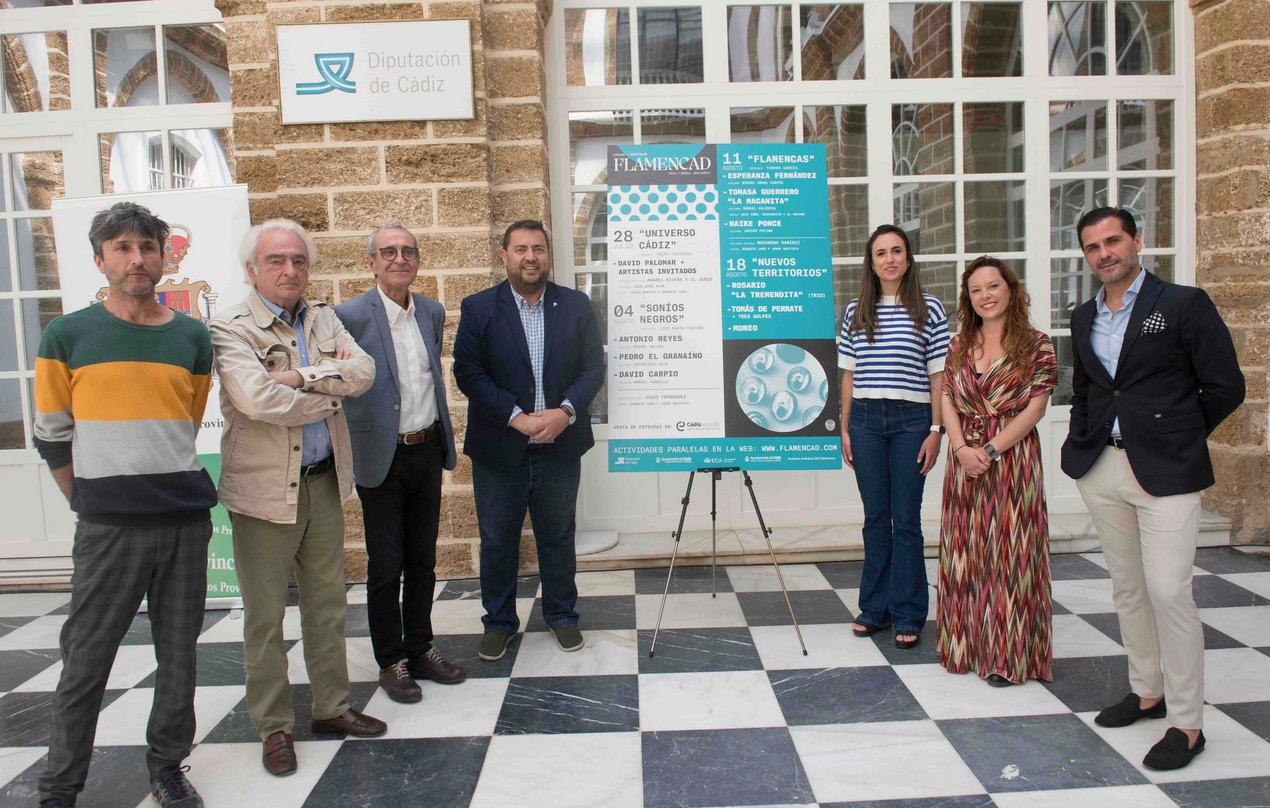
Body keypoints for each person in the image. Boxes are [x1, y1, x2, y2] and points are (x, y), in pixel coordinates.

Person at [34, 202, 217, 808]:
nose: (136, 259)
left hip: (183, 521)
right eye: (122, 248)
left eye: (147, 247)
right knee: (86, 659)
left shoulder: (191, 336)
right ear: (99, 259)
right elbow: (50, 434)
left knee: (178, 657)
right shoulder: (68, 334)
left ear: (164, 256)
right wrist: (86, 499)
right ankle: (61, 787)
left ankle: (166, 767)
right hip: (109, 527)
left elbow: (185, 423)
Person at [1062, 207, 1244, 770]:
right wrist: (1083, 439)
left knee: (1170, 591)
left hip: (1166, 470)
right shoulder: (1083, 314)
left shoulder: (1183, 304)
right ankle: (1147, 690)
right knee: (1128, 587)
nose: (1104, 254)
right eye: (1092, 247)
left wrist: (1176, 436)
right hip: (1104, 469)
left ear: (1136, 242)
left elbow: (1224, 385)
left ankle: (1187, 724)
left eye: (1113, 241)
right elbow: (1090, 388)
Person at [211, 219, 385, 777]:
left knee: (327, 605)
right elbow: (260, 400)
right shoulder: (230, 327)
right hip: (264, 493)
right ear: (251, 270)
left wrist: (302, 376)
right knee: (264, 618)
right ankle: (274, 726)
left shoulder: (323, 316)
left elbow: (364, 372)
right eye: (276, 261)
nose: (289, 271)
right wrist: (324, 390)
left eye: (298, 261)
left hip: (323, 481)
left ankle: (331, 708)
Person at [452, 219, 604, 662]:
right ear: (504, 256)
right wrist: (516, 418)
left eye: (538, 248)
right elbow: (468, 372)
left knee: (557, 536)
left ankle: (562, 616)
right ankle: (498, 623)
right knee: (498, 539)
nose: (530, 257)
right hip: (501, 449)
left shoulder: (575, 306)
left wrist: (565, 413)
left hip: (560, 445)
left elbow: (593, 368)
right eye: (520, 249)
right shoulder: (480, 308)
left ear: (548, 254)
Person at [335, 224, 464, 704]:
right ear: (371, 261)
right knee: (386, 566)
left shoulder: (431, 311)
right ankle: (391, 660)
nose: (399, 258)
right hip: (380, 456)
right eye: (388, 251)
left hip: (425, 449)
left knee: (424, 560)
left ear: (418, 260)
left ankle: (421, 647)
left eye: (408, 251)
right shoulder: (349, 316)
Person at [937, 257, 1057, 686]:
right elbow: (947, 398)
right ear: (968, 299)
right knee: (966, 552)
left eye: (993, 286)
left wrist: (988, 449)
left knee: (1010, 554)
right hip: (962, 458)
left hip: (1012, 459)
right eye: (976, 290)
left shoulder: (1037, 344)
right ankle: (965, 647)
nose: (985, 296)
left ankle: (1008, 654)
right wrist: (959, 447)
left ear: (1010, 289)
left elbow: (1036, 408)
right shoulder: (958, 344)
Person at [838, 224, 949, 649]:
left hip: (911, 421)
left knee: (906, 519)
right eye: (880, 252)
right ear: (871, 262)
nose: (889, 259)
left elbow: (938, 376)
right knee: (874, 518)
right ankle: (874, 607)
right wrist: (845, 428)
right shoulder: (856, 310)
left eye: (897, 251)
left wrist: (936, 430)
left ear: (908, 258)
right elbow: (848, 374)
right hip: (865, 420)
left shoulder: (930, 309)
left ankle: (908, 612)